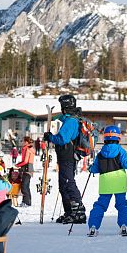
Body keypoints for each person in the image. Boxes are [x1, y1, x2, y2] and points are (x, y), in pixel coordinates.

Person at [87, 126, 127, 236]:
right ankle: (124, 225)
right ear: (118, 138)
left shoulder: (100, 153)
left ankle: (93, 226)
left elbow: (95, 169)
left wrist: (90, 168)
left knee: (100, 205)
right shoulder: (120, 151)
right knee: (122, 204)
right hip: (119, 181)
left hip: (106, 183)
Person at [44, 94, 86, 224]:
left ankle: (78, 212)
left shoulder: (71, 121)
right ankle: (70, 212)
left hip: (68, 156)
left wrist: (50, 137)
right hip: (64, 156)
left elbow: (63, 139)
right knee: (63, 185)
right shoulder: (70, 120)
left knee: (68, 183)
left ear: (65, 107)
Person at [15, 137, 35, 207]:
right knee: (26, 186)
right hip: (29, 168)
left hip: (27, 168)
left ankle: (26, 202)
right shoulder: (29, 148)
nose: (22, 142)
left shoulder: (27, 149)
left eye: (23, 141)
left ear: (26, 142)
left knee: (24, 186)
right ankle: (28, 202)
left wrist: (18, 165)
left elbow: (25, 161)